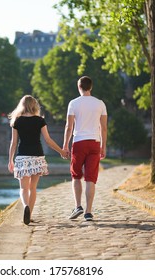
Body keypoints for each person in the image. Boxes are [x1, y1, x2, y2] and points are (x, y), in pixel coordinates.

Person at [8, 95, 67, 225]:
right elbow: (48, 140)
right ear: (35, 105)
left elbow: (14, 142)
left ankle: (25, 207)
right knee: (33, 188)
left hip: (22, 157)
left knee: (23, 188)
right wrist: (61, 151)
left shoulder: (17, 121)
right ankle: (30, 214)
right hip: (37, 156)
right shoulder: (40, 120)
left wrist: (10, 160)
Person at [63, 76, 107, 221]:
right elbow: (104, 128)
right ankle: (88, 212)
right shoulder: (100, 103)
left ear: (79, 87)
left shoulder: (73, 103)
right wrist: (103, 146)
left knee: (76, 175)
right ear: (91, 87)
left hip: (79, 142)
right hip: (94, 142)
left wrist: (65, 145)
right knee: (90, 178)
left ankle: (78, 206)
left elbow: (69, 127)